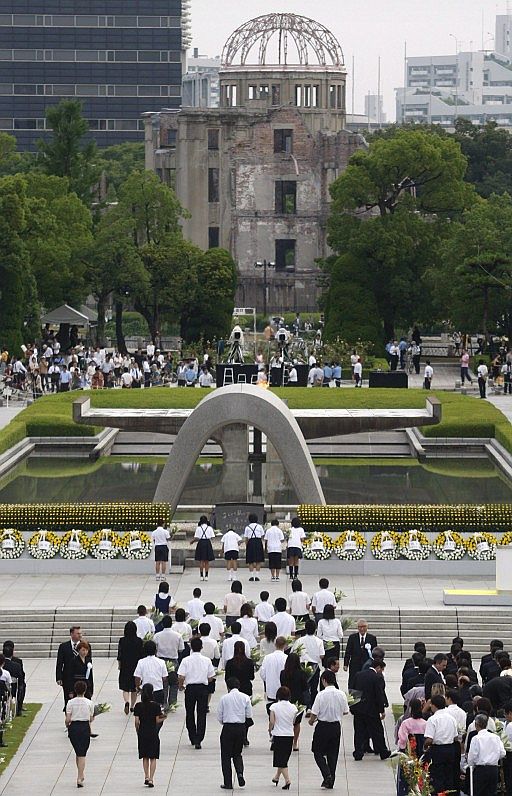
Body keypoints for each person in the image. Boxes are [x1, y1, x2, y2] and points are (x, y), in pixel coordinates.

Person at [309, 669, 349, 788]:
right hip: (335, 726)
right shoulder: (341, 694)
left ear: (324, 681)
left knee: (317, 752)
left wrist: (311, 721)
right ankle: (331, 779)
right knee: (333, 754)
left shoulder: (321, 695)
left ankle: (327, 774)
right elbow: (346, 711)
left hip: (322, 726)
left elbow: (314, 712)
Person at [177, 636, 215, 749]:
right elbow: (211, 677)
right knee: (201, 713)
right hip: (203, 688)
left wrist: (180, 685)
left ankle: (192, 736)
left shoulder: (186, 660)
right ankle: (199, 737)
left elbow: (181, 676)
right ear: (201, 647)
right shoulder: (207, 660)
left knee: (190, 712)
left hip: (190, 688)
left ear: (191, 647)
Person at [351, 660, 391, 761]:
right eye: (382, 669)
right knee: (377, 731)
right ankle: (382, 750)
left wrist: (353, 706)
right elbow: (379, 694)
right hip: (371, 709)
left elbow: (353, 691)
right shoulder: (377, 677)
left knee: (359, 731)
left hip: (359, 708)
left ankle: (358, 752)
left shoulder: (358, 674)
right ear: (378, 667)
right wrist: (381, 710)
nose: (382, 671)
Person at [217, 677, 252, 790]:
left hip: (228, 727)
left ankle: (228, 782)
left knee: (226, 756)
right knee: (237, 753)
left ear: (228, 686)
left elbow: (220, 715)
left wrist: (224, 722)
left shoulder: (224, 698)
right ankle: (240, 773)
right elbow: (249, 715)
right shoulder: (245, 697)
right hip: (240, 728)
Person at [423, 694, 459, 793]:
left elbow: (429, 739)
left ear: (434, 706)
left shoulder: (433, 719)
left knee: (438, 776)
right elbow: (456, 737)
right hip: (450, 748)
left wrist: (425, 747)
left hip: (438, 750)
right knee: (449, 775)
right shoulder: (451, 718)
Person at [133, 682, 167, 788]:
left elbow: (136, 722)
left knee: (145, 756)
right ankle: (152, 778)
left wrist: (138, 731)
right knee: (153, 757)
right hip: (152, 732)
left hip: (143, 732)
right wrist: (164, 717)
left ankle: (146, 776)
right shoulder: (156, 706)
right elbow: (157, 720)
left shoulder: (138, 706)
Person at [467, 712, 505, 796]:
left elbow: (472, 756)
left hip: (481, 769)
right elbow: (503, 753)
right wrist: (494, 758)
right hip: (493, 769)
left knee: (478, 792)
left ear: (476, 724)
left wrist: (472, 766)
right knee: (492, 793)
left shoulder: (476, 738)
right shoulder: (495, 737)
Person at [65, 679, 95, 788]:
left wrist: (67, 725)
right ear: (85, 690)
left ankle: (80, 774)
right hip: (84, 727)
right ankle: (80, 776)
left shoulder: (70, 702)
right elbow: (91, 718)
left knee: (78, 752)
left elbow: (68, 719)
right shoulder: (89, 703)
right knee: (82, 753)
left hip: (74, 728)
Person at [56, 626, 91, 708]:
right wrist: (59, 677)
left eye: (81, 633)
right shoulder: (63, 647)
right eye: (78, 633)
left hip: (83, 679)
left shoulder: (86, 646)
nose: (80, 635)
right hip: (68, 679)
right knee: (69, 702)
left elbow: (89, 664)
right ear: (71, 634)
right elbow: (59, 663)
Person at [280, 653, 309, 751]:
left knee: (286, 722)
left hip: (286, 698)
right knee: (296, 723)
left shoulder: (283, 673)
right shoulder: (302, 674)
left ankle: (286, 741)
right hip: (298, 700)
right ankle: (295, 743)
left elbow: (282, 684)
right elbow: (305, 688)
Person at [269, 686, 297, 789]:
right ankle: (276, 777)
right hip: (289, 735)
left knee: (281, 759)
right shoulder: (294, 708)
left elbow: (272, 721)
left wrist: (270, 730)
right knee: (284, 758)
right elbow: (293, 722)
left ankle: (287, 780)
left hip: (279, 735)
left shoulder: (274, 707)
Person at [292, 620, 324, 704]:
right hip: (315, 667)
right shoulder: (319, 641)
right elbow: (322, 655)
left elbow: (294, 653)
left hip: (303, 666)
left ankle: (307, 706)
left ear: (305, 629)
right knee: (314, 688)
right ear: (315, 629)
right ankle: (313, 705)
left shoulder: (300, 640)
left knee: (304, 687)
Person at [153, 616, 184, 705]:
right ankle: (172, 703)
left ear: (162, 624)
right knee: (174, 683)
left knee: (163, 683)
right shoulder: (177, 636)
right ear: (171, 624)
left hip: (161, 661)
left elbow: (154, 648)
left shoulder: (157, 636)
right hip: (173, 661)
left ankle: (163, 702)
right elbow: (181, 649)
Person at [117, 621, 144, 714]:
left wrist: (119, 665)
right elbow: (141, 655)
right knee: (134, 688)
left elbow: (119, 655)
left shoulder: (122, 640)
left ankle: (126, 702)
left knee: (125, 687)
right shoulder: (139, 641)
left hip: (125, 666)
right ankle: (132, 706)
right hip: (136, 666)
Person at [343, 619, 378, 689]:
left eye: (364, 626)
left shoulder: (372, 638)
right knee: (353, 682)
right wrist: (345, 664)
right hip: (354, 665)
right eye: (360, 627)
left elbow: (375, 652)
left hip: (367, 664)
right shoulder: (352, 637)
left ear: (367, 627)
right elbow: (348, 651)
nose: (362, 628)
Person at [134, 641, 168, 706]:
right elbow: (164, 677)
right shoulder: (161, 662)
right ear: (155, 650)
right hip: (158, 690)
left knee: (146, 711)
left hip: (146, 690)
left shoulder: (141, 662)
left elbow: (137, 677)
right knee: (158, 711)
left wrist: (138, 687)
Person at [260, 637, 288, 710]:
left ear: (275, 645)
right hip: (283, 690)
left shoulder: (267, 658)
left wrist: (268, 680)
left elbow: (262, 674)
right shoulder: (287, 658)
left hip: (271, 689)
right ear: (285, 645)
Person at [191, 515, 216, 581]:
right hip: (207, 543)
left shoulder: (198, 528)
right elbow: (213, 537)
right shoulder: (209, 528)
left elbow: (197, 538)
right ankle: (207, 575)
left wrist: (192, 541)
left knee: (201, 560)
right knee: (207, 561)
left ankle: (201, 576)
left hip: (201, 543)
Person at [244, 513, 265, 581]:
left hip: (250, 542)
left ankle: (252, 576)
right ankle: (257, 576)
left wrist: (247, 545)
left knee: (250, 560)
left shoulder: (247, 527)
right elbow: (262, 536)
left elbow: (246, 538)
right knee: (258, 560)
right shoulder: (259, 527)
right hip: (258, 542)